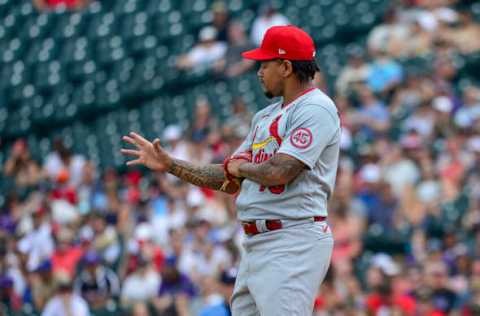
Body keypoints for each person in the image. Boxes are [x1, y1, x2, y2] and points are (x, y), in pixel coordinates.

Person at [121, 25, 340, 315]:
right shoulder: (266, 116)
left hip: (292, 238)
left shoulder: (316, 108)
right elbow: (229, 178)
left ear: (286, 67)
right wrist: (171, 165)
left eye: (264, 63)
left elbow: (280, 171)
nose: (258, 71)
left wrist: (242, 167)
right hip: (256, 242)